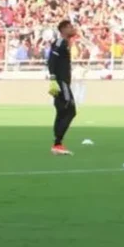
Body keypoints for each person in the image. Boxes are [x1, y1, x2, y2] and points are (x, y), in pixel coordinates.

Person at [47, 19, 78, 155]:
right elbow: (51, 59)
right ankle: (57, 143)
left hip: (61, 81)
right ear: (64, 29)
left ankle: (57, 144)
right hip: (61, 82)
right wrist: (53, 77)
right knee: (70, 111)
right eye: (70, 27)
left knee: (61, 111)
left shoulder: (65, 44)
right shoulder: (61, 42)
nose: (73, 29)